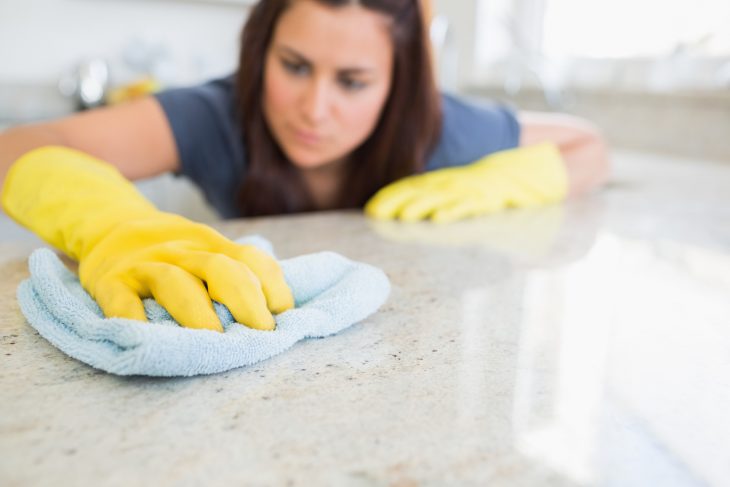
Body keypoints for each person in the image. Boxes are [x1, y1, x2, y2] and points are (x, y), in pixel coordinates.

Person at [0, 0, 608, 330]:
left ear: (396, 84)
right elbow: (17, 145)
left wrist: (504, 180)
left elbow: (586, 146)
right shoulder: (217, 116)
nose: (315, 109)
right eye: (293, 66)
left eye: (353, 81)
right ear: (261, 53)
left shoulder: (438, 129)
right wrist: (112, 224)